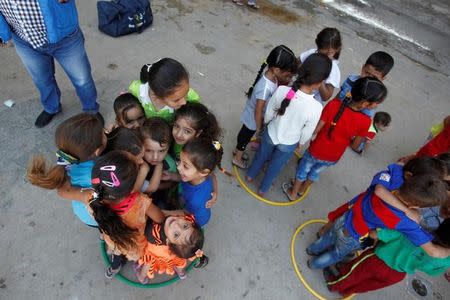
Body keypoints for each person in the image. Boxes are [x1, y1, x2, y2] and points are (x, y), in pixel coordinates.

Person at [306, 174, 449, 270]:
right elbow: (433, 251)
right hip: (355, 236)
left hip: (345, 218)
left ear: (409, 178)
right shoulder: (406, 222)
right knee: (336, 254)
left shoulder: (393, 180)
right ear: (418, 206)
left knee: (328, 236)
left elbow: (385, 181)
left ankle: (311, 249)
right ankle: (313, 264)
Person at [0, 0, 101, 128]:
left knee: (82, 79)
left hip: (65, 36)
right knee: (41, 79)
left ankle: (91, 110)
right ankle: (51, 107)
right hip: (23, 39)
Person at [244, 53, 331, 197]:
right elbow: (307, 132)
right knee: (275, 166)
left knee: (260, 155)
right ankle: (263, 189)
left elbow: (269, 113)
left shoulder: (283, 91)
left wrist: (267, 124)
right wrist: (301, 143)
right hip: (289, 143)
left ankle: (250, 175)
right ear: (319, 82)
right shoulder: (316, 107)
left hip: (271, 133)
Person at [286, 77, 387, 199]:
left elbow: (316, 129)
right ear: (365, 103)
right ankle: (302, 190)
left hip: (316, 150)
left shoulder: (334, 105)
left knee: (303, 170)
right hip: (333, 156)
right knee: (315, 173)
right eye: (377, 103)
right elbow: (355, 146)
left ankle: (293, 193)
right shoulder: (366, 122)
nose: (377, 105)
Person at [89, 150, 165, 278]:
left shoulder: (93, 202)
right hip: (133, 245)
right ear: (133, 188)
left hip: (113, 240)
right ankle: (139, 267)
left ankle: (114, 267)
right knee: (136, 254)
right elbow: (160, 218)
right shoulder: (140, 202)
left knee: (116, 254)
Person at [325, 219, 450, 296]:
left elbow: (380, 234)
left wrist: (373, 232)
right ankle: (346, 291)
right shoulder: (447, 260)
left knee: (352, 274)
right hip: (398, 274)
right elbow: (431, 272)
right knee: (367, 284)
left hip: (377, 260)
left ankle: (333, 284)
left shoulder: (414, 231)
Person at [27, 113, 106, 227]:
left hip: (84, 213)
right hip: (95, 218)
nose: (106, 132)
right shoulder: (97, 171)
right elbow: (62, 190)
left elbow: (62, 190)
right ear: (97, 150)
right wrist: (83, 196)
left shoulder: (69, 160)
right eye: (103, 133)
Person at [233, 45, 298, 169]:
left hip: (252, 116)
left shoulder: (271, 77)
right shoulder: (265, 88)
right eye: (288, 75)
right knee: (244, 138)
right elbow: (258, 111)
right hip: (252, 119)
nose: (289, 78)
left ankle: (238, 152)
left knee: (244, 136)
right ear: (277, 70)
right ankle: (237, 158)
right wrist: (259, 128)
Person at [165, 139, 225, 227]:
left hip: (196, 221)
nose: (179, 167)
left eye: (185, 166)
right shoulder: (198, 176)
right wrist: (171, 176)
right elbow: (212, 176)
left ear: (203, 172)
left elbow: (187, 213)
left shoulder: (196, 199)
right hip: (187, 205)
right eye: (179, 161)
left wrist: (167, 213)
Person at [135, 214, 206, 282]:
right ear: (190, 223)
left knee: (149, 261)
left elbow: (147, 227)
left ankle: (142, 277)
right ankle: (181, 273)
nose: (176, 224)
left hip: (157, 251)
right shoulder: (183, 248)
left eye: (176, 235)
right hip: (175, 253)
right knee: (178, 260)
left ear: (168, 242)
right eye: (185, 226)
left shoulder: (154, 233)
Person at [128, 58, 200, 121]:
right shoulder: (140, 92)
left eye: (186, 93)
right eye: (176, 100)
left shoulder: (190, 96)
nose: (184, 102)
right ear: (156, 96)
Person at [338, 51, 394, 117]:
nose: (368, 78)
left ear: (382, 78)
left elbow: (365, 118)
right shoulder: (350, 80)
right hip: (336, 113)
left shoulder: (376, 95)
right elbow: (338, 96)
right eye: (366, 73)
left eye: (374, 77)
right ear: (363, 68)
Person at [140, 117, 178, 207]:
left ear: (168, 147)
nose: (155, 157)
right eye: (149, 150)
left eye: (161, 151)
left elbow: (172, 187)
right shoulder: (137, 161)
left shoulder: (170, 165)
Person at [299, 28, 342, 105]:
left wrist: (319, 77)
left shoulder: (334, 70)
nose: (322, 57)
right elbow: (295, 63)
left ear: (337, 49)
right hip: (297, 90)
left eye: (328, 54)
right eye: (319, 52)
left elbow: (326, 97)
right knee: (287, 101)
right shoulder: (311, 53)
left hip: (313, 101)